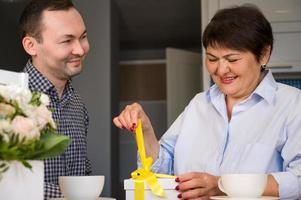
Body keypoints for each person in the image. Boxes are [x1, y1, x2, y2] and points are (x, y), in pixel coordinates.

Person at [113, 4, 301, 200]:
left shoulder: (292, 104)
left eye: (232, 59)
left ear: (263, 54)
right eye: (212, 58)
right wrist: (145, 130)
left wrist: (222, 185)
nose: (221, 70)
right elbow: (162, 167)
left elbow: (298, 180)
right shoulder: (199, 104)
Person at [19, 0, 91, 199]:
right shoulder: (7, 101)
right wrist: (71, 196)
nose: (80, 49)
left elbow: (81, 172)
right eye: (67, 41)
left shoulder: (78, 105)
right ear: (31, 45)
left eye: (83, 37)